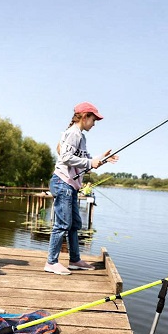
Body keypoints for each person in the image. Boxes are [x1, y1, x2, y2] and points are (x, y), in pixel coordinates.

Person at [44, 102, 119, 275]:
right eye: (93, 119)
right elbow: (65, 157)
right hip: (62, 183)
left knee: (75, 224)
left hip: (70, 185)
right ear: (85, 116)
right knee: (62, 224)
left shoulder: (81, 137)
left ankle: (75, 260)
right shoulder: (73, 134)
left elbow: (86, 161)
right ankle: (51, 262)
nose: (94, 123)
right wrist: (89, 162)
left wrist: (103, 159)